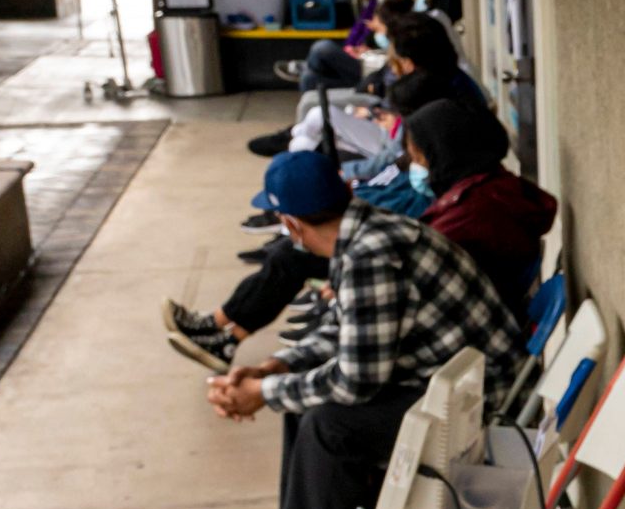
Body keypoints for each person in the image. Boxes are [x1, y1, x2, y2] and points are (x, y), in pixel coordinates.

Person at [210, 150, 524, 509]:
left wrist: (261, 395)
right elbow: (343, 332)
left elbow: (357, 381)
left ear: (289, 224)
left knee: (328, 425)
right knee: (306, 405)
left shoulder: (370, 255)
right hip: (443, 385)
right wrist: (278, 368)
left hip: (475, 408)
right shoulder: (366, 232)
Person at [168, 73, 472, 371]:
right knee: (286, 255)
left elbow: (356, 375)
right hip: (358, 211)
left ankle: (221, 329)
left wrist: (267, 383)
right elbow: (386, 174)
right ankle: (224, 332)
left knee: (289, 257)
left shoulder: (428, 195)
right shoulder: (409, 162)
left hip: (365, 225)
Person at [403, 101, 556, 320]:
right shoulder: (495, 188)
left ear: (446, 151)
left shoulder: (470, 213)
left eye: (420, 157)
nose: (418, 167)